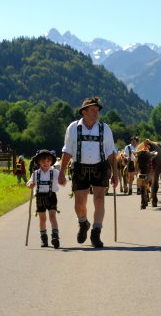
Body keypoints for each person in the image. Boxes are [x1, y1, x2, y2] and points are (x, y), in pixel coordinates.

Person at [58, 97, 118, 248]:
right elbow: (67, 150)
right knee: (79, 204)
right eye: (93, 109)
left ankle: (96, 232)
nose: (96, 112)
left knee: (99, 200)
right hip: (79, 167)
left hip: (100, 167)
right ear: (84, 111)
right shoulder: (73, 128)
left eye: (98, 109)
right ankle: (83, 223)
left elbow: (111, 152)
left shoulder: (105, 129)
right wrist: (61, 172)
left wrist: (116, 174)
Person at [27, 150, 61, 248]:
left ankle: (55, 237)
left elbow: (61, 178)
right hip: (40, 197)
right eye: (43, 161)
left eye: (48, 161)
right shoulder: (35, 173)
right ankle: (44, 238)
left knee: (52, 216)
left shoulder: (54, 172)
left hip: (51, 196)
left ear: (51, 162)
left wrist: (62, 180)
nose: (46, 163)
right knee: (42, 219)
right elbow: (29, 183)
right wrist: (30, 185)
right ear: (39, 162)